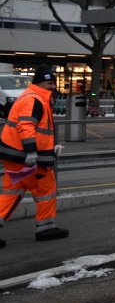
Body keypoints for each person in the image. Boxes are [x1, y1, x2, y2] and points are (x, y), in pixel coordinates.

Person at [0, 66, 69, 246]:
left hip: (15, 155)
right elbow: (26, 127)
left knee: (11, 193)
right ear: (39, 83)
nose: (52, 86)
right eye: (48, 83)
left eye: (53, 82)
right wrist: (31, 152)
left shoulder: (33, 97)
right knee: (46, 189)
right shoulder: (35, 99)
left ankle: (45, 227)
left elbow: (37, 131)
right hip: (29, 158)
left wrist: (50, 147)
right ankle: (45, 228)